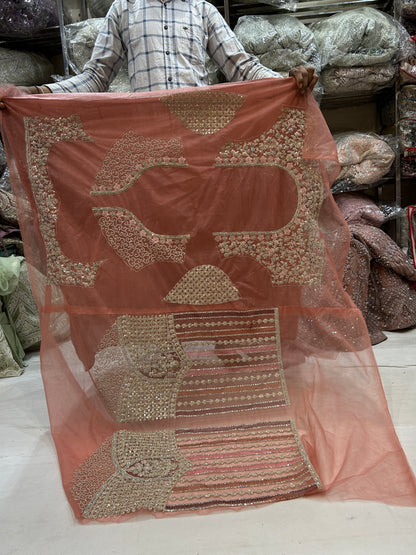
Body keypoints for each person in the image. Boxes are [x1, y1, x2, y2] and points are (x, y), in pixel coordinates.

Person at [0, 0, 317, 107]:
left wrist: (286, 82)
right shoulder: (124, 9)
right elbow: (95, 78)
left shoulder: (202, 10)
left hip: (200, 135)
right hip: (149, 137)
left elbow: (242, 69)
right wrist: (37, 92)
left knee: (200, 221)